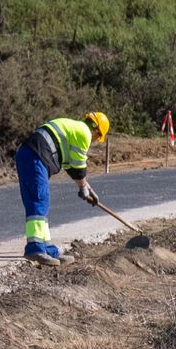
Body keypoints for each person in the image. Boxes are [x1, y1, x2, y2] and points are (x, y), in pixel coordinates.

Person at [15, 111, 111, 267]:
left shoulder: (75, 128)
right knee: (38, 199)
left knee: (42, 201)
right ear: (96, 130)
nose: (94, 140)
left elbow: (71, 167)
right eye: (97, 137)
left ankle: (47, 248)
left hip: (33, 155)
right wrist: (83, 187)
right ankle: (35, 248)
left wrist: (87, 187)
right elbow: (79, 167)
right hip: (35, 156)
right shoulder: (84, 133)